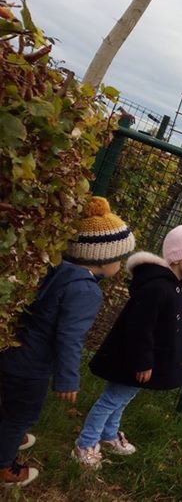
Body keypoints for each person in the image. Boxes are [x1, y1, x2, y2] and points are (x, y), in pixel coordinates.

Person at [0, 197, 135, 487]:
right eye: (119, 258)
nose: (120, 264)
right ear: (102, 259)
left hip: (14, 350)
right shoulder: (86, 292)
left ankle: (10, 435)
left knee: (10, 404)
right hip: (32, 365)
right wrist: (68, 379)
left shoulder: (58, 271)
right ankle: (4, 467)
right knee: (20, 413)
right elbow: (70, 337)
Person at [72, 225, 182, 469]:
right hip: (132, 358)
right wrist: (143, 361)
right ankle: (85, 443)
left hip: (144, 359)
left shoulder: (176, 285)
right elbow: (139, 328)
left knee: (123, 397)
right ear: (178, 257)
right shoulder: (157, 288)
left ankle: (108, 434)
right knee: (112, 399)